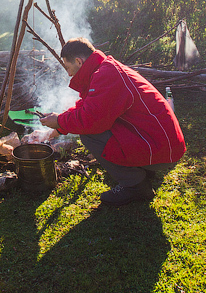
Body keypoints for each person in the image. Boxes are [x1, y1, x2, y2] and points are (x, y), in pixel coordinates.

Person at [40, 37, 186, 206]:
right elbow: (86, 108)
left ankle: (135, 186)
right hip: (158, 142)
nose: (69, 74)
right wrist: (58, 128)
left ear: (79, 62)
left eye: (68, 67)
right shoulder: (103, 69)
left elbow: (91, 121)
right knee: (95, 128)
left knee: (89, 134)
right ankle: (142, 170)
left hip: (162, 149)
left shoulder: (106, 75)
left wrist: (59, 121)